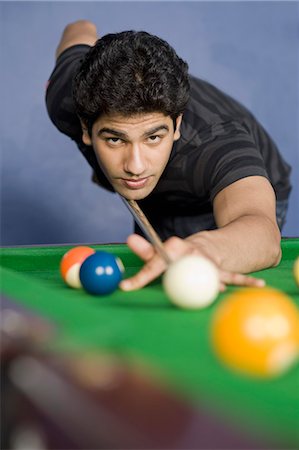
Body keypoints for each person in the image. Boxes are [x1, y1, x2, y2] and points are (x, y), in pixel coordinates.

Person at [46, 20, 292, 292]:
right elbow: (79, 28)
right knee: (159, 269)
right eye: (115, 139)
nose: (135, 166)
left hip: (227, 194)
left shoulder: (214, 141)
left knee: (195, 276)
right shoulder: (67, 98)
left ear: (176, 125)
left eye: (153, 137)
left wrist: (206, 249)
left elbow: (262, 232)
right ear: (85, 127)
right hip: (160, 194)